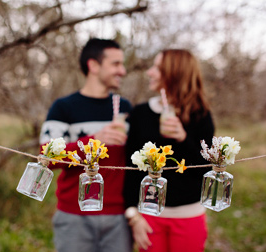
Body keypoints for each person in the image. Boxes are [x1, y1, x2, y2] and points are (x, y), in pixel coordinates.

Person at [39, 38, 132, 252]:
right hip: (74, 216)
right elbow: (46, 157)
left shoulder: (124, 108)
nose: (123, 71)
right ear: (93, 65)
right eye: (116, 64)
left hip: (118, 217)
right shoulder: (64, 107)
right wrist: (94, 141)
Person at [123, 49, 214, 252]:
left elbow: (206, 169)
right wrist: (133, 215)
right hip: (148, 216)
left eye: (157, 67)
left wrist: (183, 138)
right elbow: (129, 168)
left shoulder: (200, 114)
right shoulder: (140, 114)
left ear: (174, 73)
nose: (150, 72)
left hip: (188, 217)